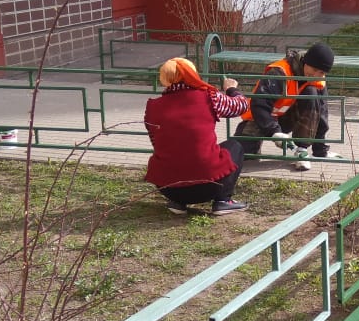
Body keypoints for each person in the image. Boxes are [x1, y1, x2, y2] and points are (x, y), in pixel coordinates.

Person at [143, 57, 249, 216]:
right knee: (235, 146)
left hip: (169, 188)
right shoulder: (209, 97)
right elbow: (241, 106)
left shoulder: (152, 107)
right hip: (210, 185)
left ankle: (178, 204)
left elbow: (155, 142)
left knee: (174, 150)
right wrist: (231, 89)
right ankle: (223, 200)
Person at [234, 42, 337, 172]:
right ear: (305, 61)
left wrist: (320, 150)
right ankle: (253, 147)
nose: (316, 75)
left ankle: (301, 150)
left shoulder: (318, 82)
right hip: (260, 118)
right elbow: (259, 104)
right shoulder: (280, 72)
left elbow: (321, 116)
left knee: (311, 94)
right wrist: (274, 131)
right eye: (314, 69)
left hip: (288, 117)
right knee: (239, 155)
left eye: (321, 72)